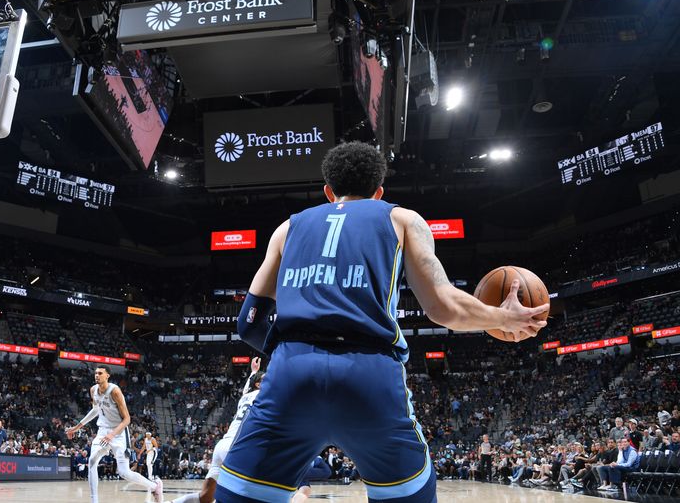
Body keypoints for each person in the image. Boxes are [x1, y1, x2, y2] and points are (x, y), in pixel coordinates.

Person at [214, 142, 548, 503]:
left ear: (328, 191)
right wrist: (503, 316)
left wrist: (288, 356)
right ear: (379, 192)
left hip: (290, 375)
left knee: (240, 496)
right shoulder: (401, 219)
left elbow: (249, 323)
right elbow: (442, 307)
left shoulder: (287, 229)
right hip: (369, 374)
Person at [66, 366, 163, 503]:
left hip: (119, 432)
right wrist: (76, 428)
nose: (97, 375)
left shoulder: (115, 391)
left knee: (124, 473)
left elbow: (127, 419)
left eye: (100, 373)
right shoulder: (93, 390)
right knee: (92, 461)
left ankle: (154, 486)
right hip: (103, 431)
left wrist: (112, 434)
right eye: (95, 373)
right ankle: (94, 501)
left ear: (107, 376)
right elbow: (95, 410)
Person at [172, 357, 264, 503]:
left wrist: (253, 372)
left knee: (205, 497)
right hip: (236, 448)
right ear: (259, 385)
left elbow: (248, 387)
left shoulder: (245, 397)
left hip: (222, 446)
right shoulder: (263, 395)